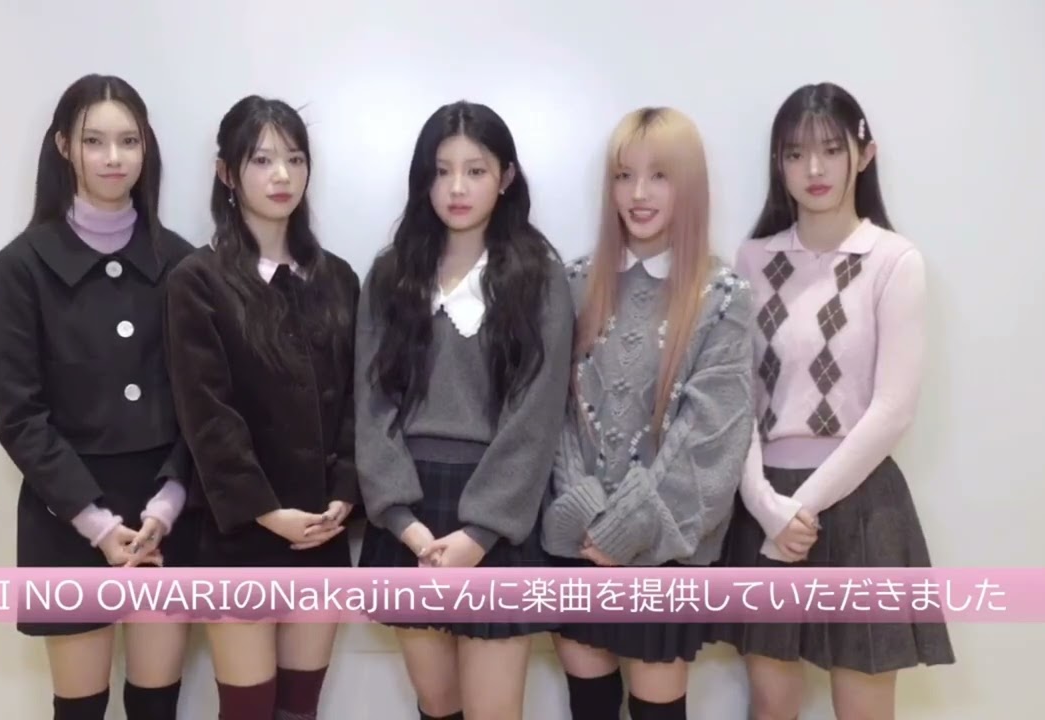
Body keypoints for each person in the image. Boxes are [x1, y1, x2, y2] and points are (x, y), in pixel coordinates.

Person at [713, 81, 956, 720]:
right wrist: (764, 504)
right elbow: (736, 395)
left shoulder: (894, 261)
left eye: (830, 149)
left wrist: (801, 507)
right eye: (795, 154)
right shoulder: (752, 260)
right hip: (764, 501)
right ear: (778, 163)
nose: (813, 169)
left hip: (860, 502)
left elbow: (893, 410)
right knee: (771, 707)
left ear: (864, 154)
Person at [0, 73, 198, 720]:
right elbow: (20, 417)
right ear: (63, 147)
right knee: (79, 709)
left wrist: (167, 504)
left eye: (129, 141)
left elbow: (204, 408)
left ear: (146, 148)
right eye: (94, 141)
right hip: (67, 518)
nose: (113, 157)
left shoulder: (185, 263)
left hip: (166, 512)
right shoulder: (20, 267)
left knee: (156, 706)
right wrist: (99, 527)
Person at [354, 100, 574, 720]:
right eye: (441, 170)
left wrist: (479, 533)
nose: (456, 188)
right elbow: (371, 405)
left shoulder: (538, 276)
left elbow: (536, 416)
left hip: (497, 514)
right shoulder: (391, 274)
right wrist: (405, 523)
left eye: (475, 171)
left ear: (506, 178)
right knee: (437, 704)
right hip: (410, 509)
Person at [540, 106, 756, 720]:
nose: (638, 194)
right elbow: (551, 414)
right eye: (624, 175)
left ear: (690, 184)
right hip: (576, 544)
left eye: (659, 175)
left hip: (664, 553)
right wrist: (584, 513)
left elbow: (713, 436)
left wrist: (626, 528)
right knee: (589, 706)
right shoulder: (573, 282)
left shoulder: (723, 296)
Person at [164, 95, 359, 720]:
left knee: (301, 707)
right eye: (262, 159)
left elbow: (359, 398)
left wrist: (345, 493)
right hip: (242, 531)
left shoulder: (337, 279)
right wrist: (269, 512)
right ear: (227, 173)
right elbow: (206, 413)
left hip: (321, 529)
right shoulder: (198, 280)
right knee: (247, 708)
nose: (282, 175)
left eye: (295, 159)